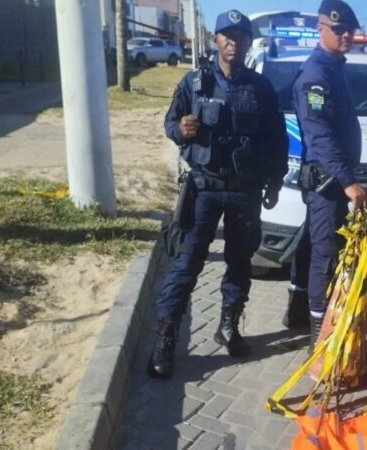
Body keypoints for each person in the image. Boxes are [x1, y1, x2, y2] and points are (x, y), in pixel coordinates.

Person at [148, 10, 288, 379]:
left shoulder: (261, 88)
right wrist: (180, 129)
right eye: (227, 35)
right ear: (216, 40)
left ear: (248, 43)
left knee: (240, 263)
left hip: (245, 192)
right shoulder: (194, 83)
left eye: (240, 36)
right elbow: (170, 122)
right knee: (186, 264)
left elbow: (277, 140)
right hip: (202, 190)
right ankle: (165, 339)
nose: (233, 42)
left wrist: (275, 182)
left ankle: (229, 325)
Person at [281, 0, 367, 349]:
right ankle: (320, 337)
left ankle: (297, 309)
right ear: (321, 29)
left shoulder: (335, 68)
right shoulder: (316, 75)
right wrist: (348, 181)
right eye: (339, 29)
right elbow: (319, 135)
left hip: (332, 177)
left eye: (350, 30)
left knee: (310, 244)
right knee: (326, 253)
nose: (347, 35)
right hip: (327, 180)